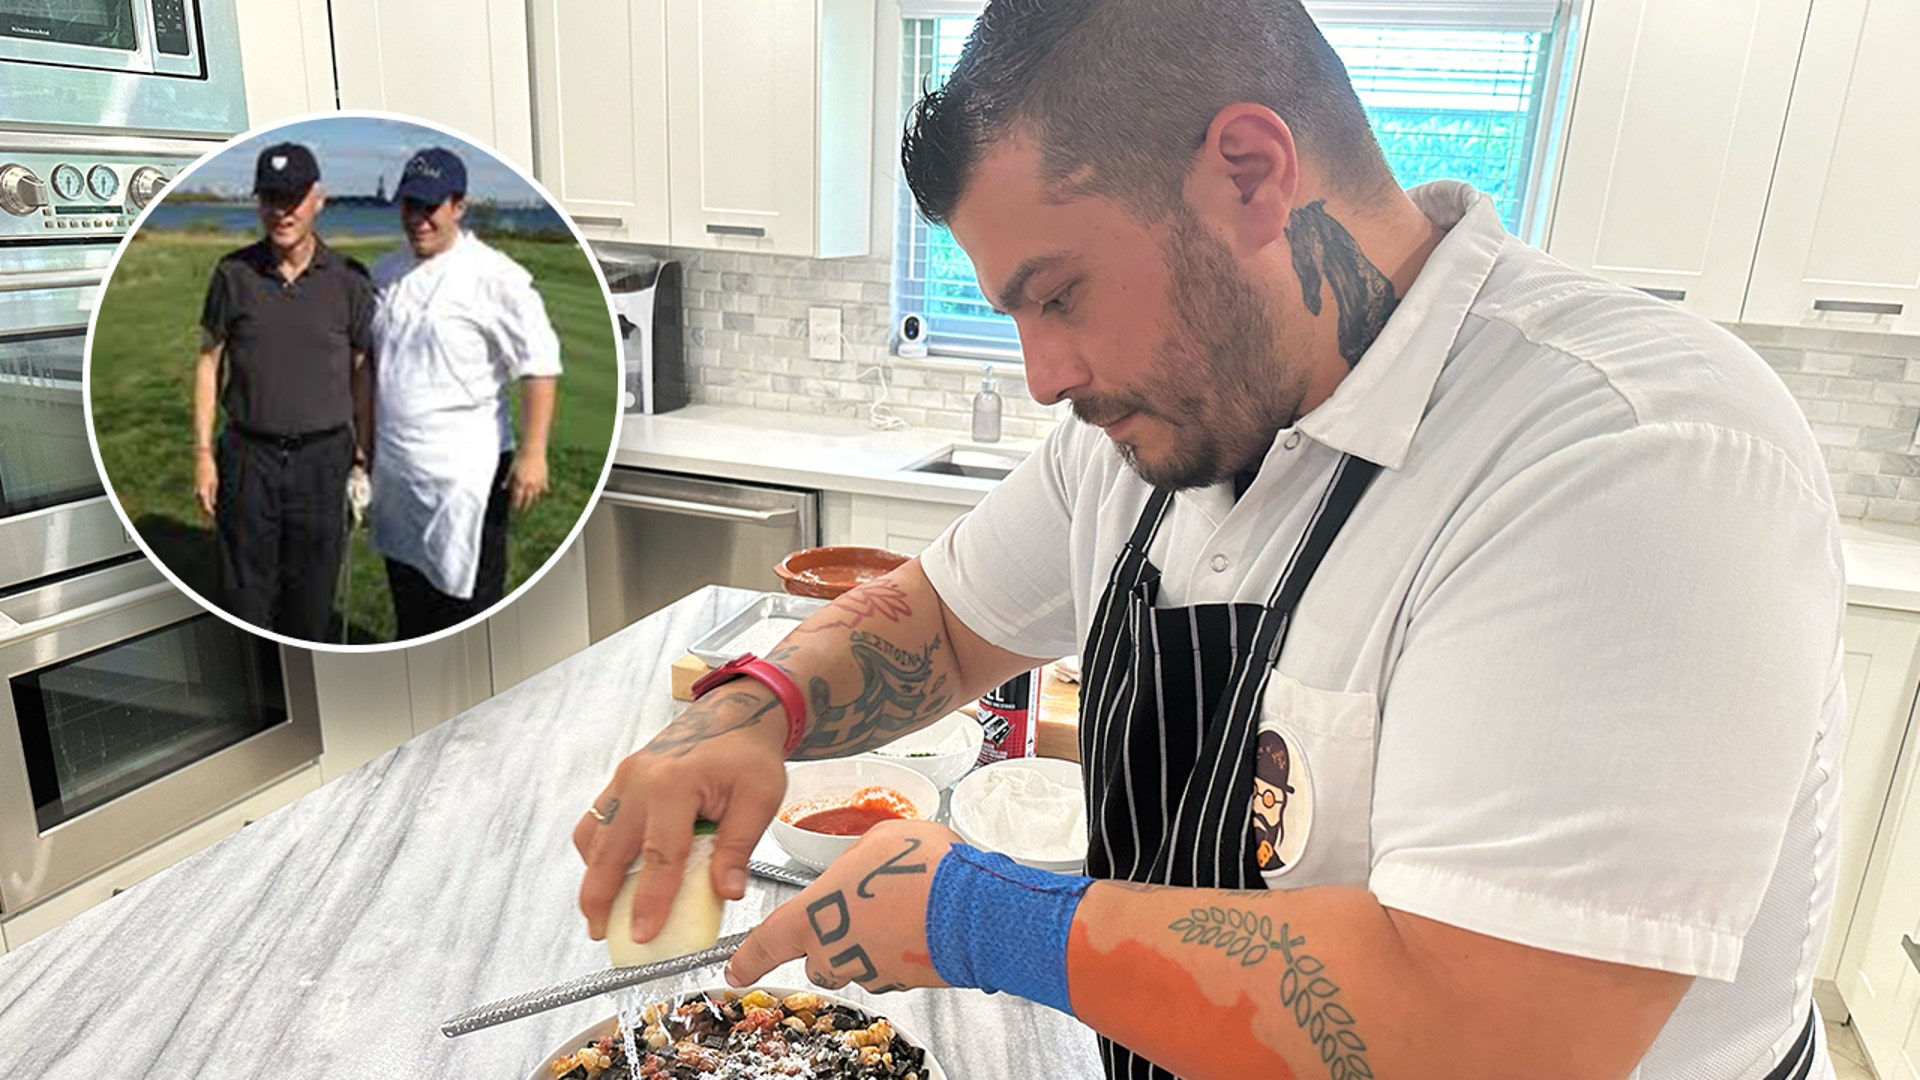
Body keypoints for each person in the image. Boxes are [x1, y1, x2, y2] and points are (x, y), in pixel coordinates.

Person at [573, 2, 1845, 1077]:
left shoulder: (1630, 457)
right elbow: (947, 619)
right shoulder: (1148, 431)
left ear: (1251, 170)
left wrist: (978, 914)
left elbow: (1492, 1029)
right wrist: (748, 708)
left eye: (1059, 294)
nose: (1044, 377)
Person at [367, 147, 561, 639]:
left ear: (458, 205)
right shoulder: (384, 275)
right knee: (410, 606)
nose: (419, 220)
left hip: (466, 476)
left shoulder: (495, 277)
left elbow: (538, 364)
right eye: (410, 206)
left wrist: (534, 453)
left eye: (430, 207)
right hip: (398, 470)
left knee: (471, 618)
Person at [194, 141, 374, 641]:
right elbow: (208, 363)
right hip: (249, 458)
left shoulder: (348, 281)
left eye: (292, 198)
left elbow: (363, 374)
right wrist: (203, 455)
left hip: (324, 460)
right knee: (244, 598)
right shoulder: (233, 275)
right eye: (270, 197)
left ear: (318, 198)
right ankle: (261, 695)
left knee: (312, 600)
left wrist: (363, 457)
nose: (281, 211)